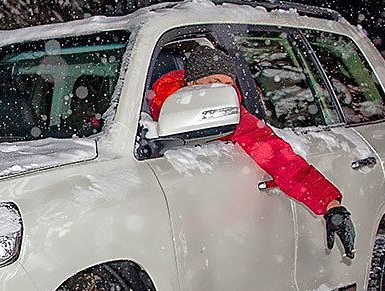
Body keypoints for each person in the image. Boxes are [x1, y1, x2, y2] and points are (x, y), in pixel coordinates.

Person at [147, 44, 356, 257]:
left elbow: (280, 158)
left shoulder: (233, 115)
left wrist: (331, 205)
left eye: (228, 84)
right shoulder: (144, 112)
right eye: (213, 82)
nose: (221, 91)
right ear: (190, 83)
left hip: (217, 237)